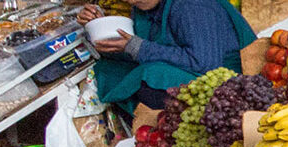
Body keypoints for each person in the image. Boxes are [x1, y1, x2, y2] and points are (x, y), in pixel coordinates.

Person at [79, 0, 257, 115]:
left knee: (150, 75)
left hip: (224, 82)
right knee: (110, 67)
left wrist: (138, 47)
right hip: (187, 67)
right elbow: (146, 47)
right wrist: (100, 27)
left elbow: (202, 62)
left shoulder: (191, 6)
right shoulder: (144, 8)